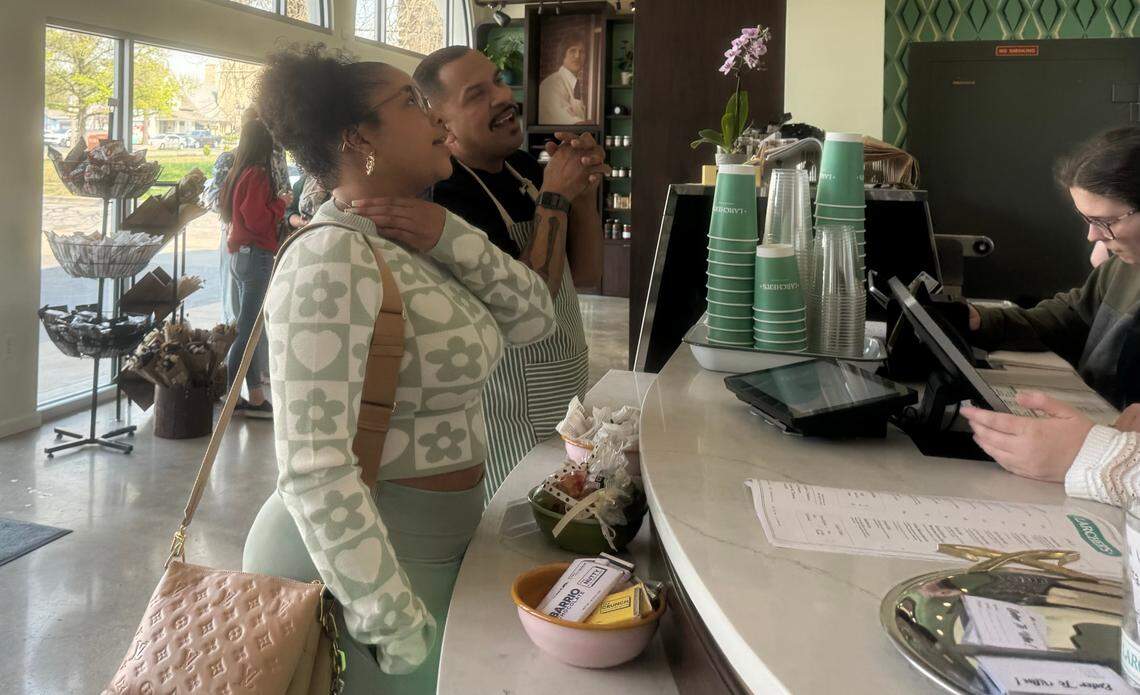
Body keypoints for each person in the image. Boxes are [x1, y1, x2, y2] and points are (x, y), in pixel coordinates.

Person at [243, 44, 556, 695]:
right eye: (411, 104)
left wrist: (450, 234)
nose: (437, 119)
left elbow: (535, 319)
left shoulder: (414, 237)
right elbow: (312, 467)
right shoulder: (328, 258)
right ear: (359, 138)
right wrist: (389, 620)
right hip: (361, 575)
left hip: (439, 550)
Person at [410, 45, 606, 500]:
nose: (503, 97)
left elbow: (589, 273)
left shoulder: (524, 169)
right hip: (509, 408)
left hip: (565, 383)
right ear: (441, 124)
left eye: (499, 81)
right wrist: (555, 198)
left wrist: (581, 196)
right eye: (476, 94)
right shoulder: (447, 197)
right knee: (519, 519)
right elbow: (527, 300)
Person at [966, 126, 1140, 410]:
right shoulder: (1122, 267)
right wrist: (980, 320)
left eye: (1105, 222)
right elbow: (1067, 320)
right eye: (1087, 220)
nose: (1093, 237)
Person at [219, 118, 288, 419]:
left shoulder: (238, 172)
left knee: (247, 329)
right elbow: (258, 219)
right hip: (256, 255)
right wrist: (282, 203)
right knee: (247, 332)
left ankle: (255, 397)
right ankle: (235, 398)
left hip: (240, 255)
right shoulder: (258, 175)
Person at [202, 106, 291, 323]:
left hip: (269, 237)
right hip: (243, 237)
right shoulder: (231, 160)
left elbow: (284, 187)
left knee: (260, 316)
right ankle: (239, 355)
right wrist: (275, 204)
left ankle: (248, 355)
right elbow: (213, 199)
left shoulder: (277, 157)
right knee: (239, 314)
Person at [538, 33, 588, 124]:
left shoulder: (574, 84)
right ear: (563, 54)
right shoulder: (552, 84)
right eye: (573, 51)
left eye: (581, 52)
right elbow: (568, 121)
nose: (577, 56)